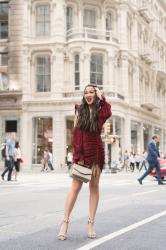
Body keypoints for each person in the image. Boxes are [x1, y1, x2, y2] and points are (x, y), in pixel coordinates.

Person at [58, 85, 112, 240]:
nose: (88, 94)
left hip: (97, 154)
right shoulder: (79, 109)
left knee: (94, 188)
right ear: (83, 95)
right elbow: (76, 134)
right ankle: (65, 222)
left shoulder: (100, 110)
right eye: (86, 92)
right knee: (75, 188)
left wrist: (102, 97)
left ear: (95, 94)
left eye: (91, 92)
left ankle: (91, 223)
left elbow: (108, 112)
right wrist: (78, 155)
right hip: (82, 154)